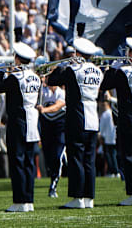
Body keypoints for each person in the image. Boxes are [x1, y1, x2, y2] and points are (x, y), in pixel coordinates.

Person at [47, 38, 102, 209]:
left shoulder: (73, 70)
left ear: (77, 53)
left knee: (76, 157)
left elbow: (52, 80)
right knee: (89, 159)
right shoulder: (98, 71)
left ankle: (77, 197)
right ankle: (89, 198)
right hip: (93, 116)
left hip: (77, 116)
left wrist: (59, 66)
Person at [0, 42, 41, 212]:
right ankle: (29, 200)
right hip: (33, 120)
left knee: (17, 161)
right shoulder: (35, 76)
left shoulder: (15, 77)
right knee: (28, 162)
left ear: (17, 59)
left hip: (19, 121)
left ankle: (19, 201)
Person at [100, 37, 132, 206]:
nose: (126, 53)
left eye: (129, 51)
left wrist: (113, 68)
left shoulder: (124, 72)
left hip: (130, 118)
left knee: (129, 156)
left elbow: (105, 84)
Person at [37, 84, 66, 198]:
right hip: (46, 127)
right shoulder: (42, 91)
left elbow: (59, 105)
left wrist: (44, 109)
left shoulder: (60, 92)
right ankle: (53, 175)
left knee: (57, 156)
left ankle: (53, 184)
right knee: (48, 158)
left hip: (60, 128)